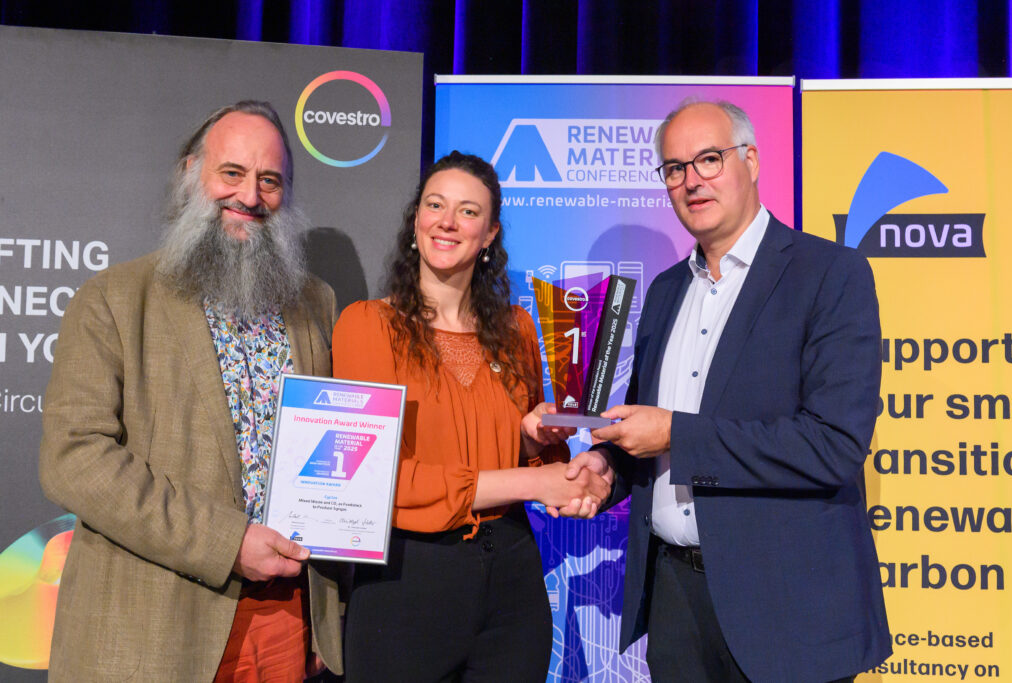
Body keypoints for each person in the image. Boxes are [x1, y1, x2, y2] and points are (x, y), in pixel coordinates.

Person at [568, 99, 892, 682]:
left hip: (788, 608)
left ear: (751, 160)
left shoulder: (830, 274)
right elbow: (653, 434)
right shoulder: (666, 290)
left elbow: (834, 444)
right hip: (675, 604)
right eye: (674, 168)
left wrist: (674, 433)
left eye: (709, 159)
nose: (691, 181)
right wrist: (606, 466)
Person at [39, 100, 347, 681]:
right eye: (231, 173)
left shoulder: (315, 304)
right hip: (152, 624)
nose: (250, 197)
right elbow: (73, 459)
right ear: (191, 175)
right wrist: (229, 543)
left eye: (270, 180)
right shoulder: (113, 298)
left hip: (284, 621)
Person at [332, 150, 610, 682]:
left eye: (467, 211)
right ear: (415, 221)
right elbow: (378, 480)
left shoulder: (518, 329)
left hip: (512, 577)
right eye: (435, 205)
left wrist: (536, 442)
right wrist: (534, 481)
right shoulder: (367, 326)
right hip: (409, 577)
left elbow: (523, 459)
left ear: (489, 235)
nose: (448, 221)